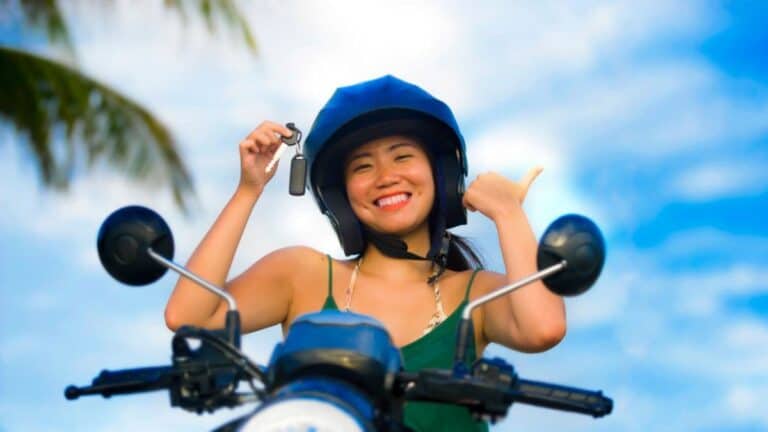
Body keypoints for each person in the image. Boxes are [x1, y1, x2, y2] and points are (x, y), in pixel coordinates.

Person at [164, 75, 566, 431]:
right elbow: (190, 316)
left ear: (441, 174)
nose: (386, 177)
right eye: (362, 167)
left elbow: (541, 328)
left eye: (402, 156)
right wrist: (248, 189)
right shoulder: (302, 275)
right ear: (340, 198)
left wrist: (509, 213)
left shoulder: (474, 296)